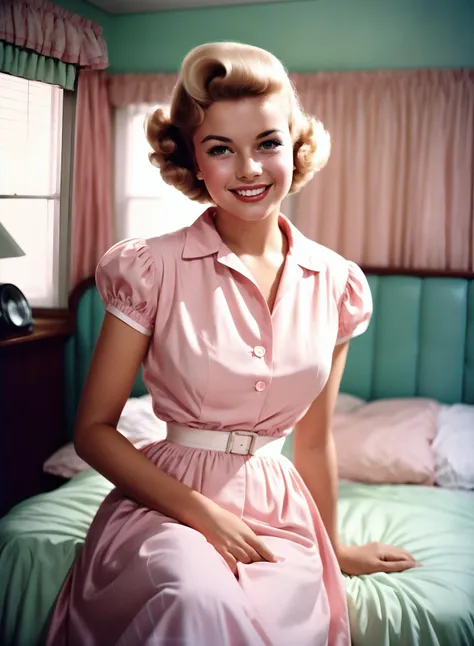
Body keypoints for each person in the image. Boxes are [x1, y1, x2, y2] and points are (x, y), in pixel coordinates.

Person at [47, 42, 419, 646]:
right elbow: (94, 430)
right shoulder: (150, 267)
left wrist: (335, 548)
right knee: (193, 600)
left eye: (267, 143)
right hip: (164, 504)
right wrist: (200, 513)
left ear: (294, 149)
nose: (249, 169)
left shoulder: (337, 284)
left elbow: (316, 440)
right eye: (222, 149)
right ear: (194, 161)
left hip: (280, 513)